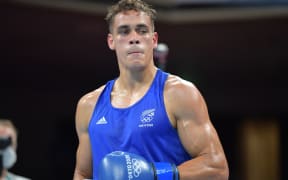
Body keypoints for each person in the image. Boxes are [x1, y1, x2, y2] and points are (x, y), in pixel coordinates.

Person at [73, 0, 229, 179]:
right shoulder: (89, 105)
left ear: (153, 40)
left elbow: (216, 168)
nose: (134, 38)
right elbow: (82, 174)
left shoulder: (179, 94)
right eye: (124, 31)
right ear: (111, 41)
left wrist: (155, 174)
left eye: (142, 30)